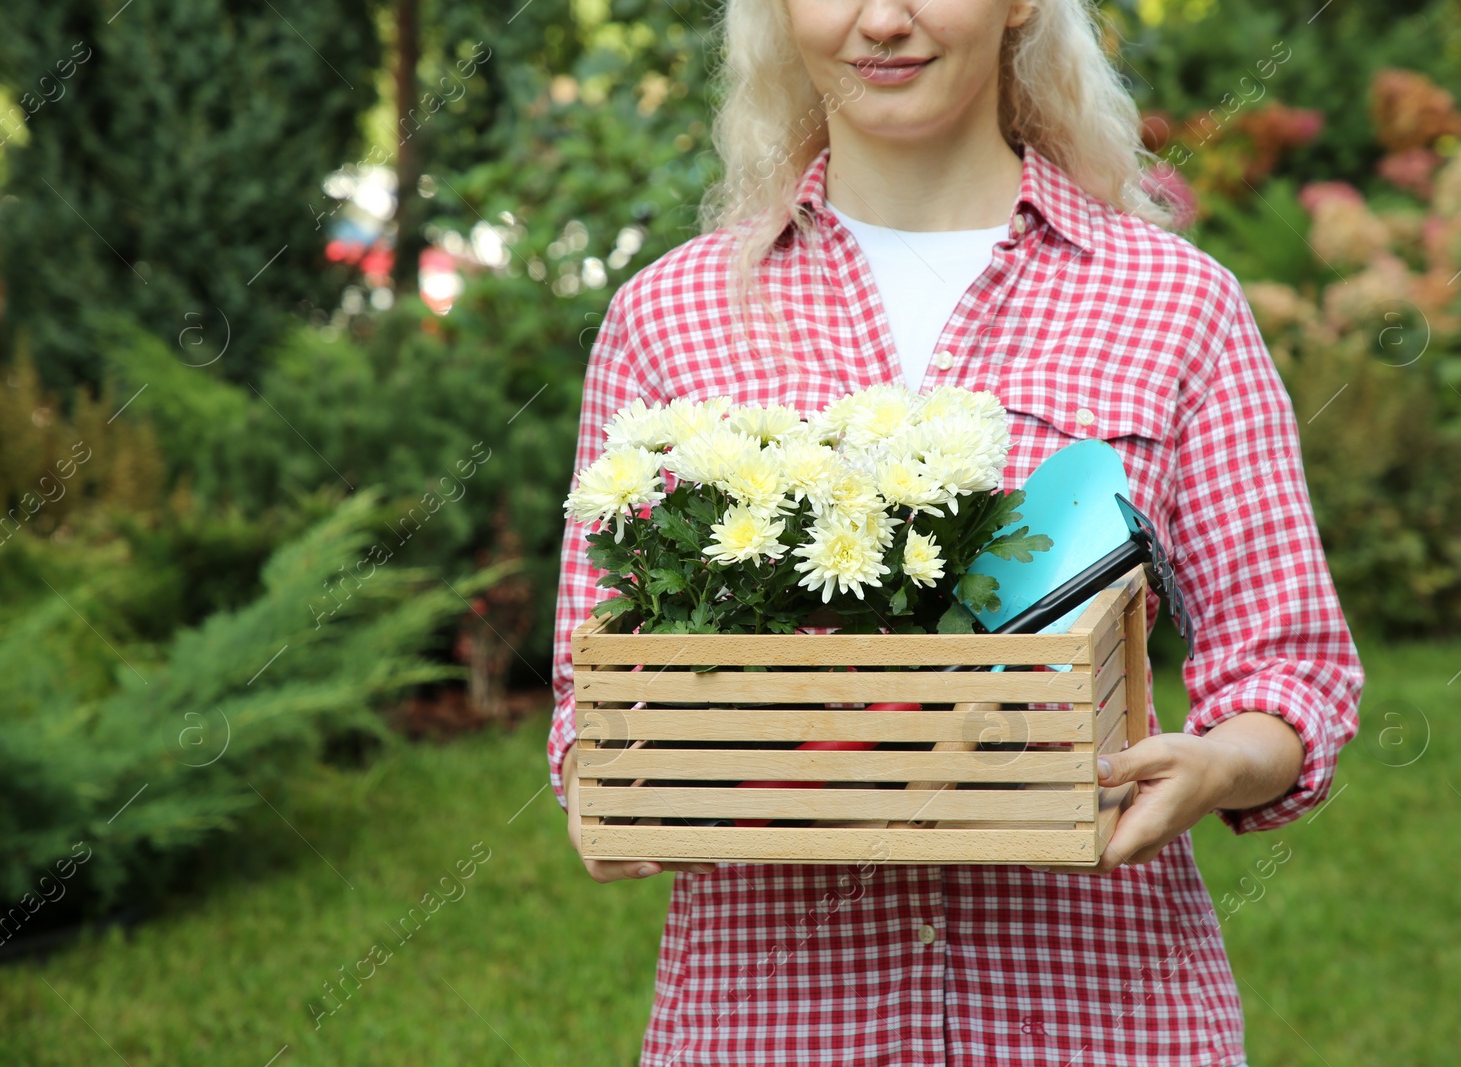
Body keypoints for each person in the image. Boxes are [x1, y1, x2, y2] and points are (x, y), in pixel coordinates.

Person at [547, 0, 1364, 1062]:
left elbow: (1289, 669)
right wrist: (610, 781)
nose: (882, 21)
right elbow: (596, 680)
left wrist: (1214, 764)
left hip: (1094, 1014)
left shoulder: (1172, 304)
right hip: (776, 1017)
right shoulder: (670, 317)